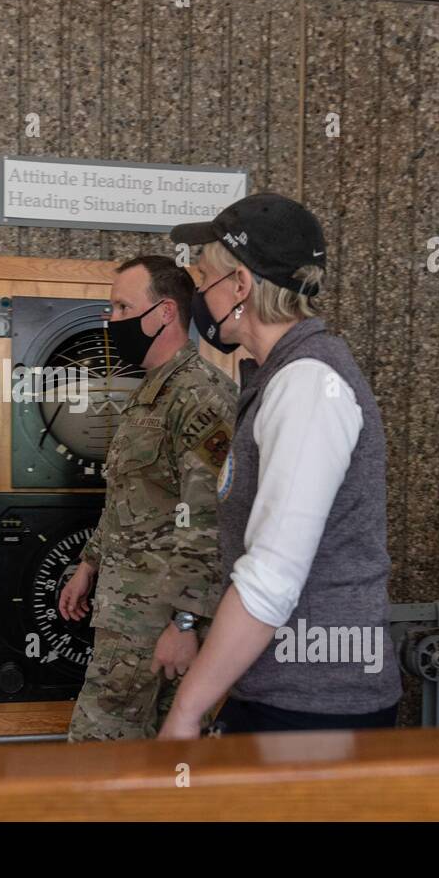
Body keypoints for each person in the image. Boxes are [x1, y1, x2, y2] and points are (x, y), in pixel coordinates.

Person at [158, 193, 403, 738]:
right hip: (281, 694)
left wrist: (186, 709)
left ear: (239, 286)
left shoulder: (308, 384)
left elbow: (271, 579)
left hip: (316, 709)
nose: (197, 291)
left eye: (203, 277)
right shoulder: (281, 377)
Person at [59, 255, 237, 741]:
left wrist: (184, 623)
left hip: (160, 622)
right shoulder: (152, 392)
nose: (110, 320)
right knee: (143, 759)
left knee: (97, 752)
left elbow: (209, 519)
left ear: (163, 313)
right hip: (127, 616)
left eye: (121, 306)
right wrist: (89, 564)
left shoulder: (200, 397)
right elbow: (132, 497)